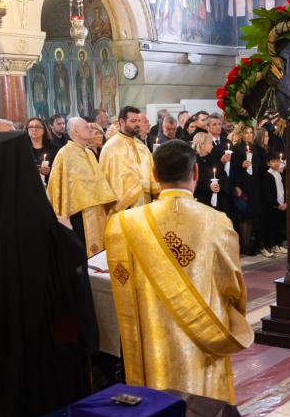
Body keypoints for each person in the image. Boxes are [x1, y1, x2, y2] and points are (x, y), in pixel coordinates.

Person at [0, 130, 97, 417]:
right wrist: (68, 235)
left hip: (3, 346)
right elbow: (68, 282)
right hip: (48, 340)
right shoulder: (42, 224)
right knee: (48, 405)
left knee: (9, 403)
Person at [105, 140, 252, 399]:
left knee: (157, 405)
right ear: (195, 173)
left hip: (151, 339)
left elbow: (122, 281)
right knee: (204, 407)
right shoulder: (217, 222)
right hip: (203, 341)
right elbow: (233, 285)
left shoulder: (123, 224)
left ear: (154, 175)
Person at [46, 117, 117, 257]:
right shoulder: (64, 154)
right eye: (86, 127)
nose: (90, 129)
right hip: (78, 213)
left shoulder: (89, 153)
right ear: (75, 131)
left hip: (97, 209)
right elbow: (56, 186)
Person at [99, 106, 159, 212]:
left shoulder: (142, 147)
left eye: (138, 121)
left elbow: (151, 174)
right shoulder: (111, 147)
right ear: (122, 122)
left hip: (145, 203)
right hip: (124, 205)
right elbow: (106, 178)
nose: (137, 124)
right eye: (133, 121)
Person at [231, 124, 265, 255]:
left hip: (254, 184)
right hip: (243, 184)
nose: (249, 135)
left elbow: (261, 166)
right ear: (241, 134)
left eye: (251, 132)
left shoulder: (256, 148)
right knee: (244, 215)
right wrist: (241, 166)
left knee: (252, 215)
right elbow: (233, 170)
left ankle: (251, 243)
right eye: (246, 133)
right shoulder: (236, 149)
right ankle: (245, 245)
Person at [261, 154, 288, 256]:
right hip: (271, 206)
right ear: (268, 163)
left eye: (277, 161)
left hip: (282, 204)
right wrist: (277, 204)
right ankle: (266, 247)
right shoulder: (267, 176)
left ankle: (278, 244)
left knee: (279, 226)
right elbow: (267, 194)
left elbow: (284, 188)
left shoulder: (281, 174)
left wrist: (285, 202)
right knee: (269, 227)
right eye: (273, 161)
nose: (276, 163)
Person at [27, 117, 57, 185]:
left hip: (49, 184)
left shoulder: (53, 148)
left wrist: (49, 170)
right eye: (31, 127)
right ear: (27, 130)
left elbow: (59, 168)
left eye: (38, 126)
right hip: (29, 185)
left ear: (44, 130)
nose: (34, 129)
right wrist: (38, 170)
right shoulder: (23, 148)